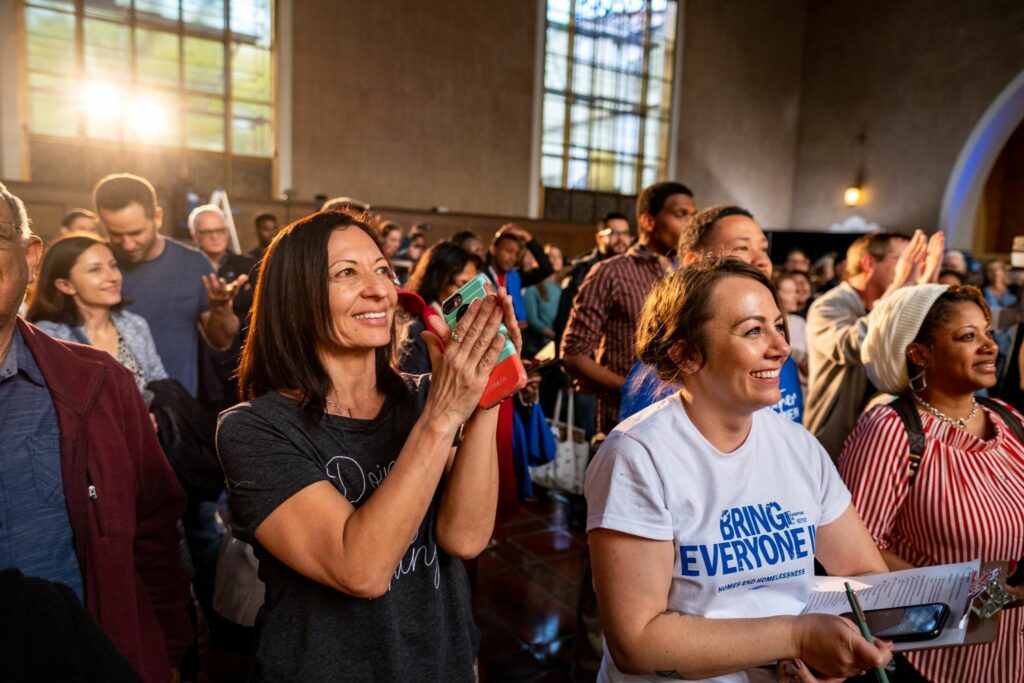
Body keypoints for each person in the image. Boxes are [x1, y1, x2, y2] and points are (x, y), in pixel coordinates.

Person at [216, 211, 521, 681]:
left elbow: (465, 537)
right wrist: (443, 417)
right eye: (346, 273)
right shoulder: (255, 430)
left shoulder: (422, 396)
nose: (380, 289)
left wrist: (487, 390)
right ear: (296, 298)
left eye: (382, 269)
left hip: (444, 664)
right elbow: (360, 570)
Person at [586, 257, 892, 682]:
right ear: (686, 354)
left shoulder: (798, 446)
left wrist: (830, 660)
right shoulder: (638, 456)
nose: (781, 347)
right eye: (752, 330)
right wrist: (796, 637)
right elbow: (636, 642)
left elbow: (862, 573)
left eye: (778, 326)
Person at [0, 182, 192, 682]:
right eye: (96, 266)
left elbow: (153, 532)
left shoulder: (98, 383)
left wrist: (166, 652)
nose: (112, 273)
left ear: (30, 257)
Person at [839, 284, 1024, 682]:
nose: (990, 346)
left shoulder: (1009, 420)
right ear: (919, 353)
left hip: (1011, 650)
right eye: (967, 337)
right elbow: (856, 549)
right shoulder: (891, 431)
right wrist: (965, 592)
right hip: (933, 659)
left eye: (988, 333)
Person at [619, 206, 802, 425]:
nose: (762, 260)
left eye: (764, 248)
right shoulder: (666, 374)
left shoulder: (777, 350)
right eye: (742, 247)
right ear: (695, 263)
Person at [93, 173, 247, 398]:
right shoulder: (97, 266)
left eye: (136, 233)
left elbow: (221, 341)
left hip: (175, 408)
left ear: (157, 217)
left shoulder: (193, 263)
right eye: (115, 234)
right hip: (112, 403)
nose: (127, 244)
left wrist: (220, 309)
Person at [563, 182, 696, 435]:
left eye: (693, 215)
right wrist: (632, 388)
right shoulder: (611, 272)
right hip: (625, 419)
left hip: (683, 421)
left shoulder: (689, 273)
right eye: (681, 214)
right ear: (648, 221)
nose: (690, 223)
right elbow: (574, 354)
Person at [804, 230, 944, 457]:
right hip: (831, 443)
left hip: (876, 440)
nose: (912, 268)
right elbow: (854, 346)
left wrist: (922, 292)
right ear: (868, 262)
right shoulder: (828, 306)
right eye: (903, 260)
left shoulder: (892, 302)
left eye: (916, 261)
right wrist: (901, 287)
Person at [26, 233, 167, 392]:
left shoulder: (134, 324)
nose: (113, 277)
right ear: (65, 285)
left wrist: (154, 412)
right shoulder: (47, 336)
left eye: (113, 265)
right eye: (95, 270)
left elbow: (159, 381)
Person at [399, 240, 483, 374]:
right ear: (438, 281)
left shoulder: (462, 321)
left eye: (473, 287)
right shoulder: (415, 330)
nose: (471, 295)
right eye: (463, 285)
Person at [553, 212, 632, 349]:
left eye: (625, 233)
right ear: (599, 238)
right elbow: (564, 321)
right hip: (586, 355)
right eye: (613, 233)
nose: (621, 239)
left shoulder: (633, 269)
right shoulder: (582, 269)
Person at [485, 223, 553, 329]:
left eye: (516, 254)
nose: (513, 257)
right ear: (493, 249)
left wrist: (527, 237)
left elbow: (547, 269)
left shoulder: (516, 277)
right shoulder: (481, 276)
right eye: (509, 251)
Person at [523, 243, 564, 357]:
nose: (555, 260)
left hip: (556, 347)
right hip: (537, 350)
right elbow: (532, 320)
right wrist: (555, 337)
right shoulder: (533, 287)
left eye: (559, 257)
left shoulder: (562, 287)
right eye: (551, 256)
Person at [775, 271, 809, 381]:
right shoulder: (770, 326)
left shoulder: (800, 323)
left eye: (796, 292)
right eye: (789, 292)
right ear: (775, 294)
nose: (795, 296)